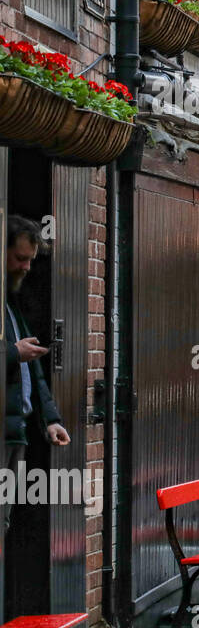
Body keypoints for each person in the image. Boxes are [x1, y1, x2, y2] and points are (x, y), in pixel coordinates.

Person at [5, 216, 69, 535]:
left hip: (15, 431)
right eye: (20, 258)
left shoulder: (11, 303)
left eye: (30, 260)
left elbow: (34, 372)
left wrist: (50, 420)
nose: (27, 268)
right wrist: (14, 353)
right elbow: (21, 358)